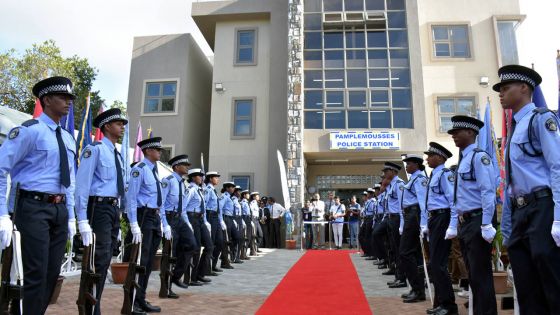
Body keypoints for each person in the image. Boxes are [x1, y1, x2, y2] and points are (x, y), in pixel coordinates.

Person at [0, 77, 77, 314]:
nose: (68, 103)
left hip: (59, 209)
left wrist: (72, 216)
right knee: (34, 274)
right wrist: (2, 214)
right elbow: (1, 170)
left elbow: (70, 182)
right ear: (46, 100)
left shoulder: (66, 137)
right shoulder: (28, 131)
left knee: (51, 274)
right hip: (33, 207)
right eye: (62, 98)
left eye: (69, 98)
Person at [496, 65, 560, 314]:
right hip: (520, 210)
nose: (501, 93)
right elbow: (511, 183)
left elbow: (557, 166)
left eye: (505, 88)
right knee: (526, 283)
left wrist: (558, 217)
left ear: (524, 88)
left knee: (551, 278)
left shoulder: (541, 119)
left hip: (543, 206)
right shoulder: (513, 129)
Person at [75, 107, 128, 314]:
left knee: (106, 259)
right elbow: (82, 185)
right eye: (118, 123)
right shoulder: (94, 149)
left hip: (113, 209)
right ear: (107, 126)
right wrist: (81, 219)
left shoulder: (118, 154)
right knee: (97, 259)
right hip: (98, 207)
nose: (122, 127)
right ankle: (89, 306)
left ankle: (95, 302)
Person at [444, 115, 497, 315]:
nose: (454, 136)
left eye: (457, 132)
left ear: (471, 133)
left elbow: (488, 191)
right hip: (465, 222)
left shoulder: (478, 157)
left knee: (481, 275)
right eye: (452, 133)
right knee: (473, 275)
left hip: (477, 221)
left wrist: (486, 224)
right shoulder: (464, 159)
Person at [126, 137, 165, 313]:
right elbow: (131, 198)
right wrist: (133, 223)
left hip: (154, 218)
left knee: (149, 263)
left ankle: (140, 298)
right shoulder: (139, 169)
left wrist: (162, 222)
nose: (160, 152)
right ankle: (131, 301)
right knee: (140, 261)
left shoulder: (154, 171)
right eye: (157, 149)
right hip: (144, 217)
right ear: (148, 151)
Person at [421, 142, 458, 315]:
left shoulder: (444, 174)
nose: (427, 159)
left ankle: (449, 306)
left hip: (443, 218)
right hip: (435, 219)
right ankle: (441, 302)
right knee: (435, 263)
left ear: (440, 157)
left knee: (439, 263)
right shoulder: (433, 175)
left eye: (430, 156)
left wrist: (452, 224)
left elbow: (452, 201)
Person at [160, 155, 197, 293]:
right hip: (169, 218)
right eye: (184, 165)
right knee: (170, 253)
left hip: (180, 219)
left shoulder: (182, 183)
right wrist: (165, 224)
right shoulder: (168, 181)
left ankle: (176, 276)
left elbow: (183, 208)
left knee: (191, 245)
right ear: (176, 167)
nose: (187, 167)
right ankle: (166, 287)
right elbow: (161, 204)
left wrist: (188, 224)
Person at [399, 154, 428, 303]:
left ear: (416, 165)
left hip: (414, 215)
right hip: (410, 215)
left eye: (409, 164)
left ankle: (418, 289)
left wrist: (424, 224)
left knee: (405, 252)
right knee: (412, 253)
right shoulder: (413, 179)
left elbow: (423, 203)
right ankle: (417, 289)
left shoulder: (420, 179)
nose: (407, 166)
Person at [184, 168, 214, 285]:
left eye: (202, 176)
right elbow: (184, 207)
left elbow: (203, 207)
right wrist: (187, 223)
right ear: (193, 177)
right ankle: (192, 277)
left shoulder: (200, 189)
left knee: (209, 246)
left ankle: (200, 274)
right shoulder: (191, 189)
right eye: (199, 176)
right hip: (192, 218)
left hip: (200, 219)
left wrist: (205, 221)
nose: (202, 178)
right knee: (195, 249)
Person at [382, 162, 407, 289]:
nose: (384, 174)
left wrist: (401, 224)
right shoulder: (391, 185)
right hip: (392, 219)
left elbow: (402, 206)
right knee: (394, 248)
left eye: (386, 171)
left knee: (399, 250)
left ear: (393, 171)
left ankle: (402, 278)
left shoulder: (399, 184)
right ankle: (398, 276)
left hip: (397, 219)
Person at [204, 171, 226, 274]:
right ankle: (207, 268)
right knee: (211, 242)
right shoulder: (208, 190)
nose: (217, 179)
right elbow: (204, 205)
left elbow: (219, 207)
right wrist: (205, 220)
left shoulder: (213, 190)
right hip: (210, 216)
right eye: (215, 177)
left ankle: (213, 265)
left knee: (220, 242)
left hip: (216, 217)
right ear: (210, 179)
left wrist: (221, 220)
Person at [219, 182, 238, 268]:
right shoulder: (224, 196)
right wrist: (221, 220)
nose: (233, 188)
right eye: (232, 187)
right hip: (225, 218)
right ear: (227, 188)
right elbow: (219, 208)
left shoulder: (229, 197)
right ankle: (225, 262)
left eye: (234, 187)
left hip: (230, 218)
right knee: (226, 240)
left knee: (237, 237)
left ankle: (224, 255)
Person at [361, 188, 376, 258]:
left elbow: (374, 212)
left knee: (368, 237)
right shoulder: (368, 202)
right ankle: (367, 252)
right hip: (366, 219)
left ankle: (371, 253)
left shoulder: (373, 201)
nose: (367, 195)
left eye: (369, 193)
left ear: (372, 194)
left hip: (370, 219)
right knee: (362, 236)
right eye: (367, 193)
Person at [232, 186, 245, 262]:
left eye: (240, 191)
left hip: (239, 219)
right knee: (237, 238)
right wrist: (234, 220)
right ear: (235, 192)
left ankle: (237, 256)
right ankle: (234, 257)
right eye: (238, 191)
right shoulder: (233, 200)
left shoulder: (237, 200)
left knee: (240, 238)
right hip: (235, 218)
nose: (240, 193)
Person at [240, 190, 252, 259]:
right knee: (246, 237)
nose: (248, 195)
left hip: (248, 218)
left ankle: (244, 253)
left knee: (249, 237)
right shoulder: (243, 203)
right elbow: (241, 212)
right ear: (244, 195)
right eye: (247, 194)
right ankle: (243, 254)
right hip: (245, 218)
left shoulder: (247, 203)